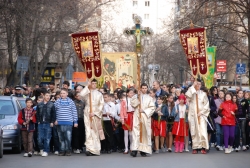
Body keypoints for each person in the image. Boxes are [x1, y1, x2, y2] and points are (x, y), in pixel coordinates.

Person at [79, 79, 105, 156]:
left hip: (95, 112)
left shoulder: (99, 94)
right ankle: (89, 148)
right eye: (92, 83)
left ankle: (96, 149)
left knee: (95, 131)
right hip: (87, 111)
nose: (93, 85)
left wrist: (95, 113)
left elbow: (101, 104)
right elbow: (81, 95)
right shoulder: (87, 92)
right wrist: (87, 86)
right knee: (88, 130)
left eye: (94, 83)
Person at [130, 83, 155, 157]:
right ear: (140, 88)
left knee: (144, 133)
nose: (144, 89)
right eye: (143, 88)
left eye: (145, 88)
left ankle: (143, 150)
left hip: (145, 116)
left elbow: (152, 108)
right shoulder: (136, 96)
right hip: (137, 116)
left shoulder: (149, 98)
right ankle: (134, 149)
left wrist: (144, 111)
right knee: (136, 132)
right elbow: (133, 104)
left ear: (147, 89)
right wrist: (137, 97)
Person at [185, 79, 210, 154]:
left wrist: (202, 112)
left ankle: (204, 147)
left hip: (201, 115)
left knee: (202, 131)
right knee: (194, 131)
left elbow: (206, 105)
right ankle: (195, 147)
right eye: (196, 84)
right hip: (193, 115)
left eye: (199, 84)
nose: (198, 86)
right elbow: (187, 95)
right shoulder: (191, 92)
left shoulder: (203, 94)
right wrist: (192, 86)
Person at [54, 88, 78, 156]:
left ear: (67, 94)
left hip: (68, 122)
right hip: (59, 122)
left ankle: (68, 150)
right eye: (61, 93)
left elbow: (74, 112)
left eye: (64, 93)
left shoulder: (71, 102)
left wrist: (75, 122)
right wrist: (55, 120)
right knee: (61, 138)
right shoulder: (57, 102)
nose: (62, 95)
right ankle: (62, 150)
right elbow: (54, 112)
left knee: (68, 137)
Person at [36, 91, 56, 157]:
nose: (48, 97)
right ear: (43, 96)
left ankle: (46, 150)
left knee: (47, 138)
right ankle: (41, 149)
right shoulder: (39, 104)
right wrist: (38, 121)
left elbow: (53, 114)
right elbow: (37, 113)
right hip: (41, 123)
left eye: (49, 96)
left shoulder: (52, 104)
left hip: (48, 123)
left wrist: (52, 122)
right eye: (47, 95)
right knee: (39, 138)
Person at [120, 88, 137, 154]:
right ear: (127, 93)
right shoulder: (124, 101)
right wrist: (122, 119)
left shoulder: (135, 100)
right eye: (130, 93)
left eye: (132, 93)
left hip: (133, 116)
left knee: (131, 133)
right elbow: (121, 110)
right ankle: (126, 148)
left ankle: (132, 146)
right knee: (126, 133)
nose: (131, 94)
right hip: (126, 116)